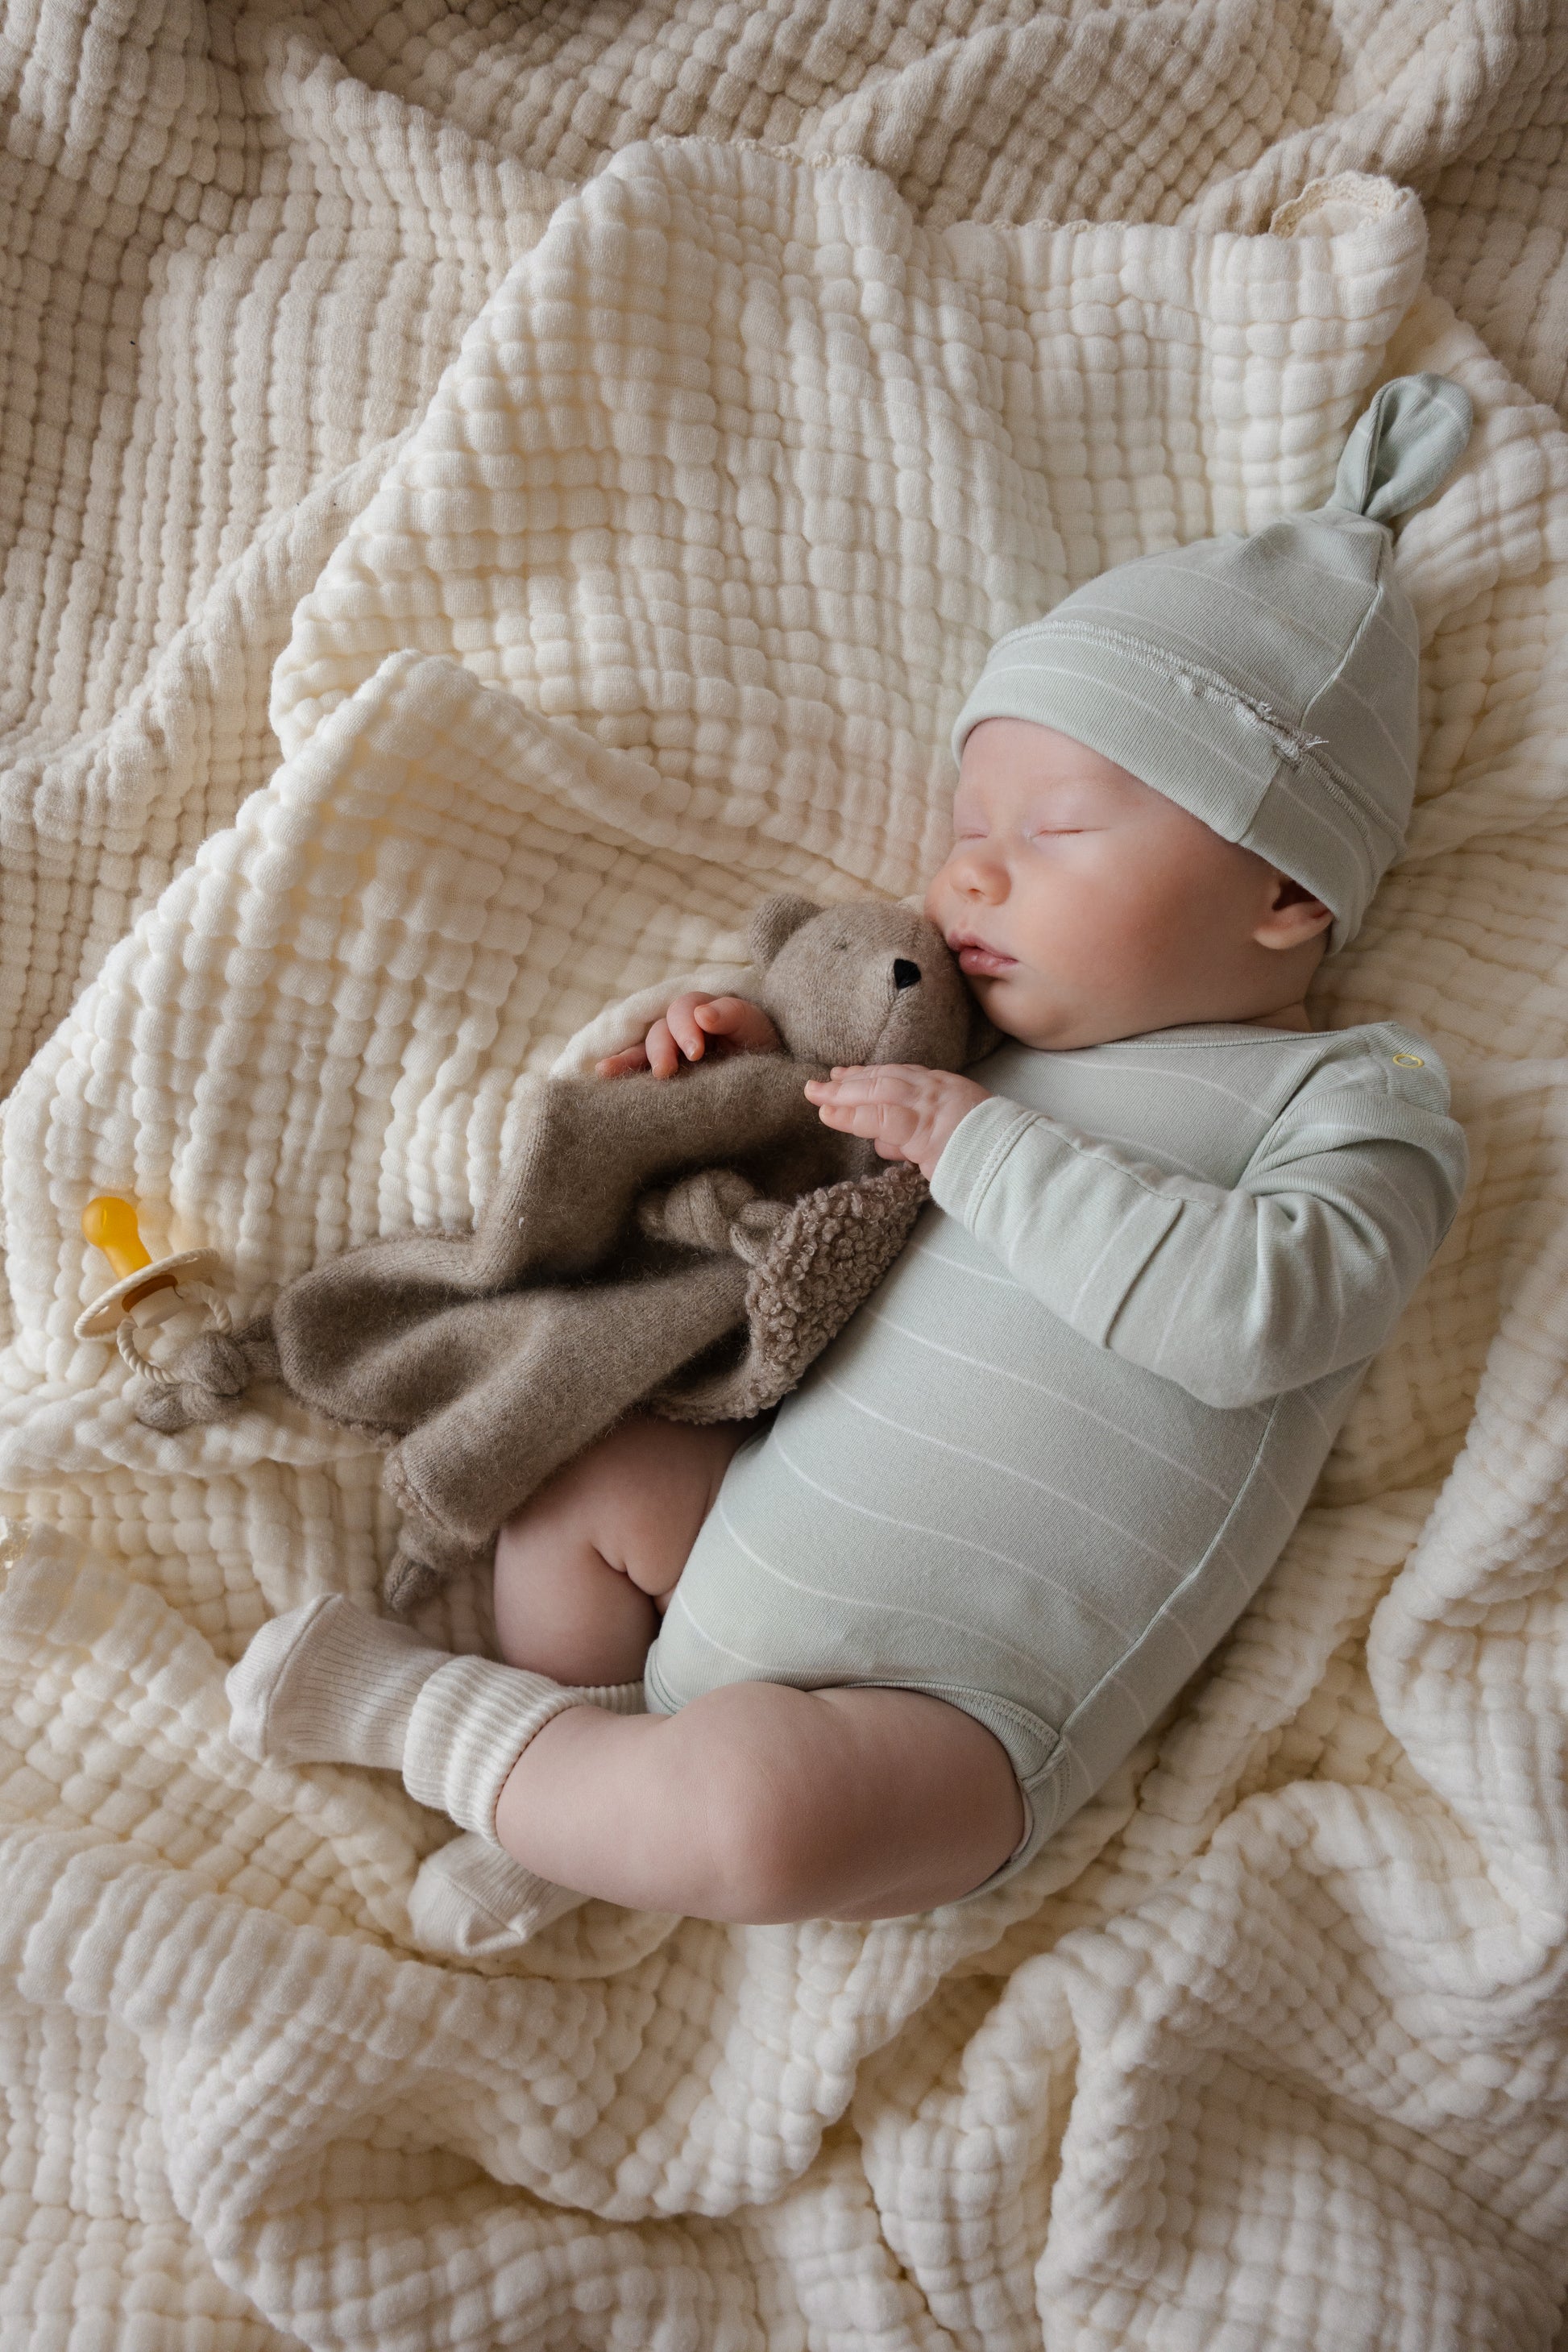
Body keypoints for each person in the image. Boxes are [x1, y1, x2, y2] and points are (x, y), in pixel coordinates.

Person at [225, 374, 1473, 1948]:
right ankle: (578, 1773)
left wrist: (978, 1141)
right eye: (967, 826)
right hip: (732, 1533)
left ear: (1285, 892)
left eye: (1055, 830)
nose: (970, 872)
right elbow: (816, 1177)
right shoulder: (970, 1048)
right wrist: (730, 1060)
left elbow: (1258, 1318)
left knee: (764, 1818)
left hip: (953, 1717)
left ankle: (435, 1725)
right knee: (585, 1466)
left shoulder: (1357, 1098)